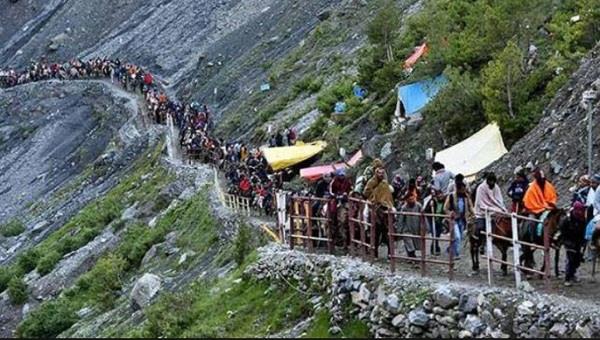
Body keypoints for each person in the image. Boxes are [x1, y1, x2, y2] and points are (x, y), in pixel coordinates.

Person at [473, 172, 507, 249]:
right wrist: (491, 209)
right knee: (480, 227)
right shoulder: (481, 188)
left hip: (494, 210)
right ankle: (480, 243)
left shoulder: (496, 187)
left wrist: (502, 208)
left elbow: (499, 199)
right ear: (487, 181)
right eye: (490, 182)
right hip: (481, 212)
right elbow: (481, 203)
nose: (492, 183)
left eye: (493, 182)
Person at [523, 168, 558, 239]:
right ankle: (533, 239)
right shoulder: (531, 189)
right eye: (540, 179)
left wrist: (550, 205)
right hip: (535, 210)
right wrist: (540, 208)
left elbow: (553, 197)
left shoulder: (549, 186)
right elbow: (528, 202)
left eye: (543, 179)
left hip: (548, 208)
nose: (542, 180)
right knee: (532, 222)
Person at [444, 180, 474, 259]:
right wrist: (450, 213)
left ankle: (450, 249)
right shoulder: (451, 196)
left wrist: (473, 214)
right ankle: (455, 254)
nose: (464, 190)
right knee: (457, 236)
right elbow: (445, 208)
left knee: (459, 237)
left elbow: (470, 206)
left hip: (462, 219)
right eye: (462, 189)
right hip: (453, 220)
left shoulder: (466, 197)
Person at [560, 201, 587, 286]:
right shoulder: (567, 220)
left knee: (577, 259)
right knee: (570, 259)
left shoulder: (582, 219)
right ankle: (567, 278)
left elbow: (583, 231)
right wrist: (566, 242)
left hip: (578, 241)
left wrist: (583, 242)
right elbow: (563, 232)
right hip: (569, 241)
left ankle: (573, 273)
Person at [423, 189, 447, 256]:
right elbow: (426, 210)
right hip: (432, 220)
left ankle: (434, 247)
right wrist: (430, 206)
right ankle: (435, 248)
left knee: (438, 234)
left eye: (441, 194)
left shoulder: (444, 201)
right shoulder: (432, 201)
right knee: (434, 234)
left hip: (439, 220)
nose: (440, 196)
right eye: (438, 194)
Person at [398, 193, 422, 258]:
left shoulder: (419, 206)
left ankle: (411, 256)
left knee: (414, 243)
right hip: (407, 228)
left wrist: (423, 227)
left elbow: (423, 217)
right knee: (409, 242)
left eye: (412, 199)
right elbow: (401, 219)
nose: (411, 200)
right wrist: (399, 230)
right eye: (410, 199)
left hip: (416, 227)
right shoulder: (404, 208)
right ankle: (412, 256)